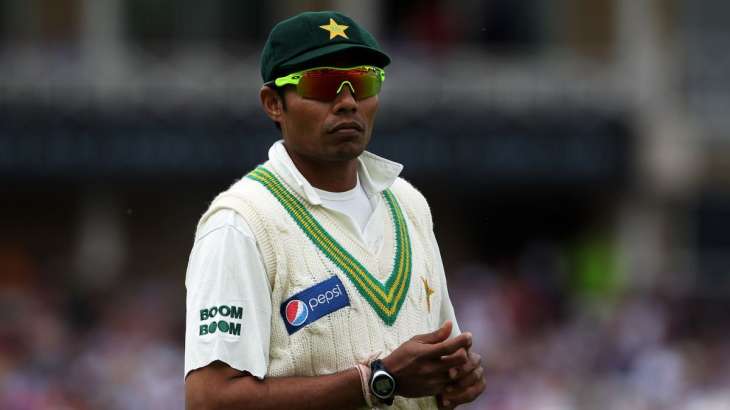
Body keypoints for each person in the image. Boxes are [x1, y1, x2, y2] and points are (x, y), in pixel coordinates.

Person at [183, 11, 485, 409]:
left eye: (362, 82)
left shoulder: (408, 203)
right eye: (323, 85)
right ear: (274, 103)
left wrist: (455, 377)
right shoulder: (241, 224)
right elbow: (209, 400)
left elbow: (436, 355)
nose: (347, 102)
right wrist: (380, 379)